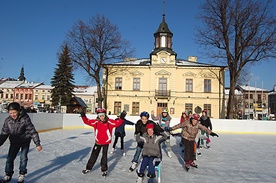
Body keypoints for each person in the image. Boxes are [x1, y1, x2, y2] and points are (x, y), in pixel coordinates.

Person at [0, 102, 42, 183]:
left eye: (14, 112)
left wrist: (37, 144)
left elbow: (32, 131)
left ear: (19, 111)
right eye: (11, 113)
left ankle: (22, 174)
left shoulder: (25, 118)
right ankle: (8, 174)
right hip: (14, 142)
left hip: (24, 141)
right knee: (9, 159)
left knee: (23, 158)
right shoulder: (8, 121)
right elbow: (4, 134)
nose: (13, 114)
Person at [80, 108, 126, 178]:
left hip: (106, 142)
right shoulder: (96, 122)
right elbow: (87, 121)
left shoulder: (109, 122)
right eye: (100, 116)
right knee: (93, 155)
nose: (102, 117)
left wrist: (122, 117)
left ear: (105, 115)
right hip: (98, 142)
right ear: (98, 116)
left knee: (104, 156)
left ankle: (104, 170)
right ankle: (88, 168)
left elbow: (118, 123)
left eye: (103, 115)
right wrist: (83, 115)